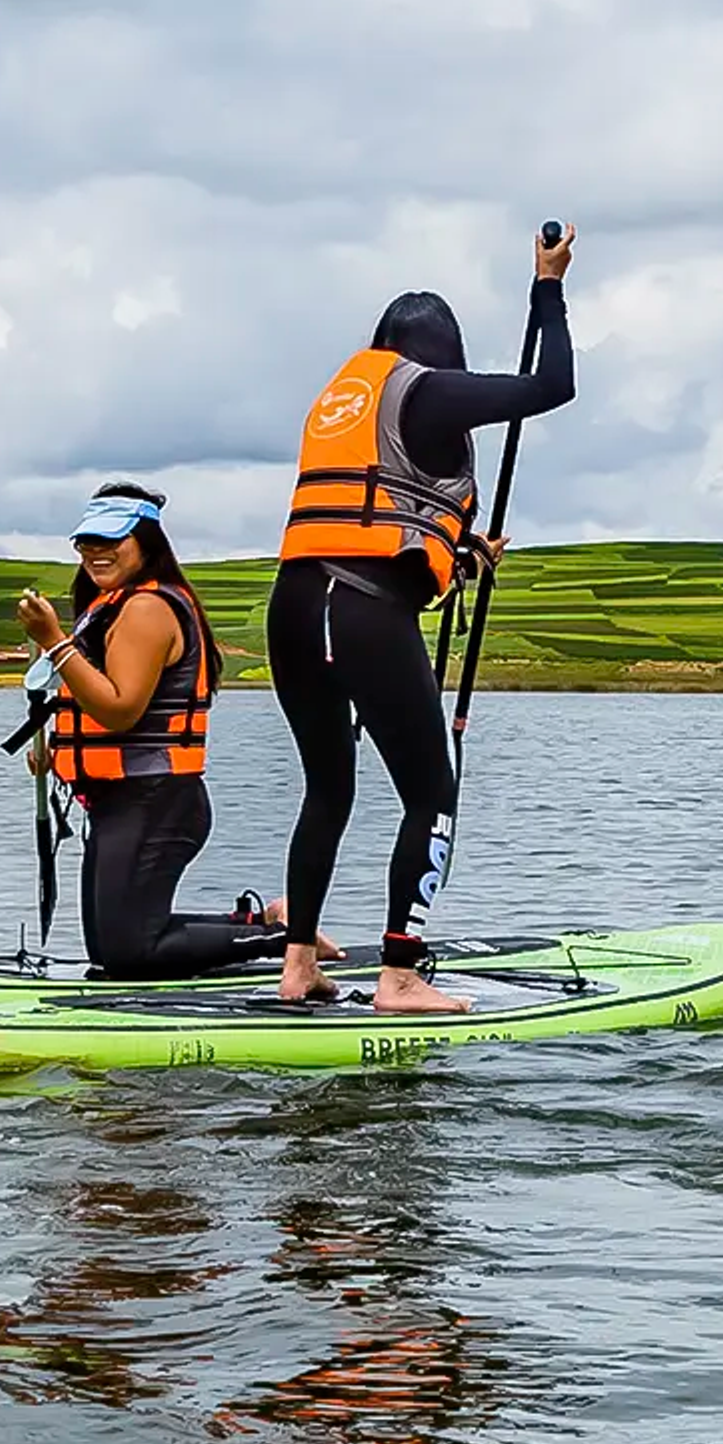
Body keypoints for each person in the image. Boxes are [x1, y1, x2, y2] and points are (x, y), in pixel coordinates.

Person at [268, 230, 578, 1012]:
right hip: (359, 614)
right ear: (442, 354)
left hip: (294, 606)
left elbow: (381, 524)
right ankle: (400, 976)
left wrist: (462, 554)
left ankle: (297, 965)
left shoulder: (345, 398)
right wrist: (549, 287)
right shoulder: (430, 390)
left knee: (327, 788)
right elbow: (553, 384)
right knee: (431, 793)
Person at [14, 484, 271, 980]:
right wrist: (58, 750)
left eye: (111, 540)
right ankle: (255, 923)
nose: (95, 552)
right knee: (112, 951)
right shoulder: (109, 606)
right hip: (119, 801)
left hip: (156, 801)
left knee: (131, 953)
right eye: (86, 542)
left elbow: (121, 711)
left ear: (146, 543)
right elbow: (95, 698)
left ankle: (285, 935)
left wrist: (51, 639)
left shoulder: (148, 609)